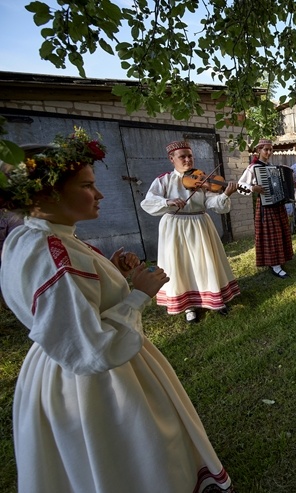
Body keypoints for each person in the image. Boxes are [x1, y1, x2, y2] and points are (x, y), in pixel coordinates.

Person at [0, 128, 233, 492]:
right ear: (46, 192)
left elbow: (74, 299)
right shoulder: (52, 254)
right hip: (91, 381)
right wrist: (138, 295)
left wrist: (114, 272)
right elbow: (92, 347)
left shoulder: (31, 237)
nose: (100, 193)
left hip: (58, 360)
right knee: (127, 454)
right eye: (87, 186)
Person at [141, 140, 240, 323]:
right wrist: (167, 202)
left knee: (206, 262)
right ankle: (189, 307)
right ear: (172, 159)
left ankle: (215, 299)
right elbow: (147, 202)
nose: (187, 159)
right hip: (174, 226)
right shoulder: (163, 180)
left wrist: (225, 194)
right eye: (182, 156)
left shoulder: (202, 178)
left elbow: (213, 203)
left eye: (190, 156)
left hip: (199, 223)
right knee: (181, 264)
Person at [237, 138, 294, 279]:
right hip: (265, 205)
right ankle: (275, 265)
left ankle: (280, 260)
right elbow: (239, 185)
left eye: (270, 149)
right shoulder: (253, 167)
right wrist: (252, 188)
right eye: (266, 149)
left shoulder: (272, 167)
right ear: (258, 151)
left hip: (278, 205)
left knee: (280, 232)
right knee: (271, 235)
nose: (268, 152)